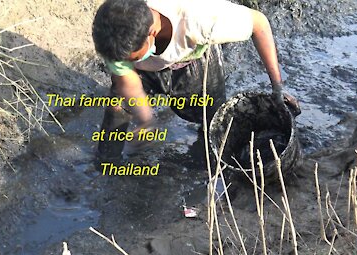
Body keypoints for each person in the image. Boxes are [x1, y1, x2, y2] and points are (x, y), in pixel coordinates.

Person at [92, 0, 300, 159]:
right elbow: (126, 77)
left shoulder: (200, 19)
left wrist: (277, 87)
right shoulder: (116, 32)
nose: (126, 61)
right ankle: (107, 163)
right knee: (117, 108)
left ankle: (208, 165)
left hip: (192, 63)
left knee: (214, 125)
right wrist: (145, 119)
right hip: (145, 72)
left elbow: (259, 24)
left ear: (151, 33)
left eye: (133, 57)